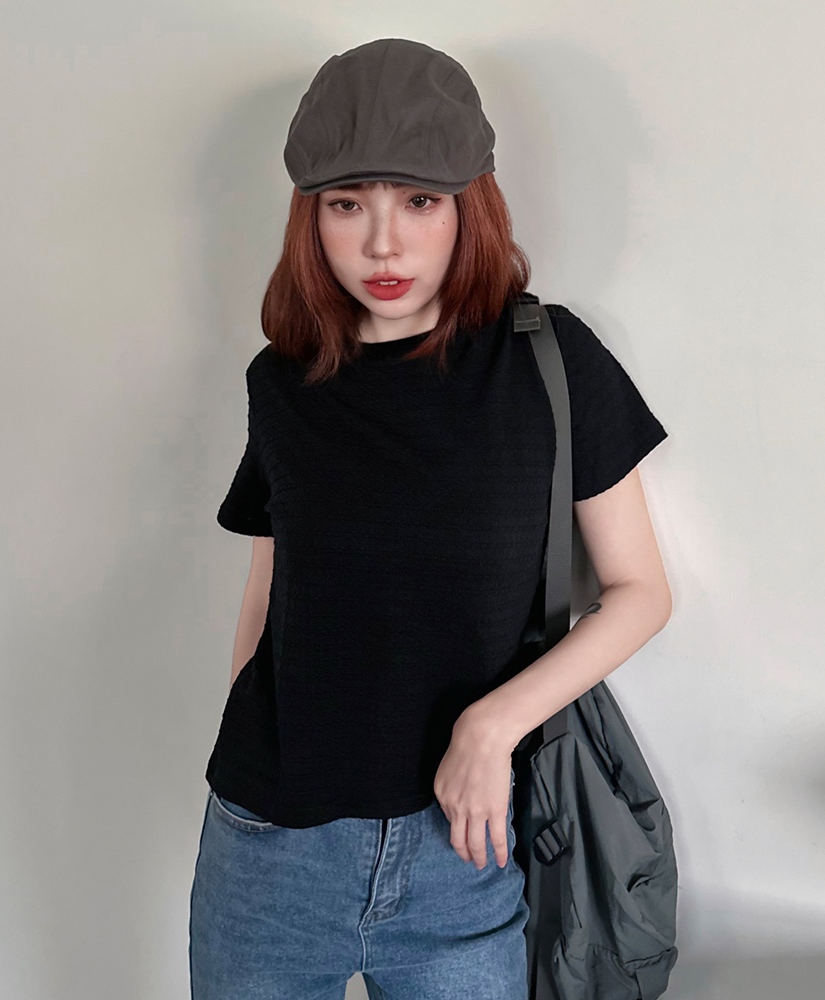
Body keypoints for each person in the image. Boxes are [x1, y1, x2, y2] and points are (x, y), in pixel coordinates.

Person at [188, 37, 672, 1000]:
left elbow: (640, 592)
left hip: (466, 845)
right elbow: (269, 592)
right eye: (346, 204)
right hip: (270, 852)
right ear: (309, 216)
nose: (383, 244)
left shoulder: (548, 360)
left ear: (469, 205)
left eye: (418, 201)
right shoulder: (282, 381)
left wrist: (493, 727)